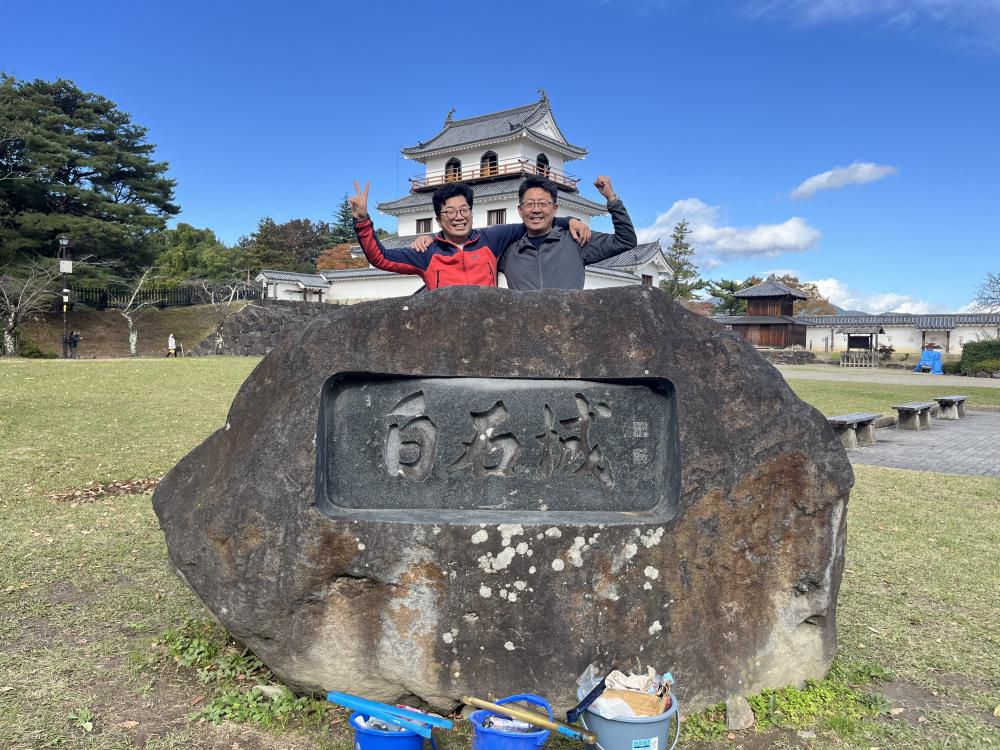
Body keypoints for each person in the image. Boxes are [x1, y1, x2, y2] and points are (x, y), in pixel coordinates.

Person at [350, 181, 589, 290]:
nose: (458, 217)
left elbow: (534, 221)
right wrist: (362, 221)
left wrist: (569, 220)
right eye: (450, 212)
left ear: (472, 213)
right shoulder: (427, 252)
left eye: (464, 210)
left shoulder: (491, 239)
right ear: (439, 219)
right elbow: (380, 258)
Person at [500, 175, 637, 290]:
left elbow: (625, 240)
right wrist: (567, 220)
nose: (536, 210)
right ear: (520, 210)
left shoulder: (576, 240)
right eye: (529, 204)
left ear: (555, 208)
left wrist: (611, 198)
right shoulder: (508, 253)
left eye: (543, 204)